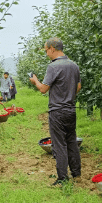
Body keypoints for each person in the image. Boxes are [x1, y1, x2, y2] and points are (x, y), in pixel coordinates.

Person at [30, 37, 82, 186]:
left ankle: (62, 178)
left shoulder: (53, 67)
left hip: (57, 111)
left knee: (59, 144)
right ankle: (77, 174)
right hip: (70, 110)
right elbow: (78, 87)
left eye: (46, 50)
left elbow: (43, 89)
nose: (46, 53)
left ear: (52, 48)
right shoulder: (73, 65)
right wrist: (67, 95)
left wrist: (35, 81)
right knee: (71, 142)